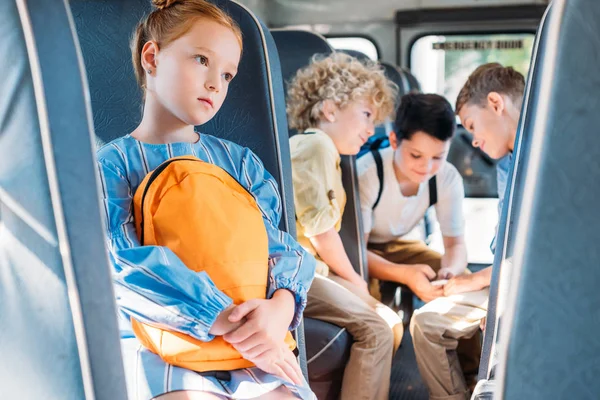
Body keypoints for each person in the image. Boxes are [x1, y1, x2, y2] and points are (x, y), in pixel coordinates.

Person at [96, 1, 316, 399]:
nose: (216, 83)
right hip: (160, 338)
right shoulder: (112, 164)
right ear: (152, 57)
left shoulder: (242, 164)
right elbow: (122, 265)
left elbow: (279, 245)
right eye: (202, 60)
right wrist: (221, 317)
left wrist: (280, 306)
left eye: (227, 74)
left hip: (252, 338)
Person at [286, 52, 402, 400]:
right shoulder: (315, 146)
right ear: (330, 109)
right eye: (366, 115)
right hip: (300, 271)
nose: (371, 129)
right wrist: (354, 280)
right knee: (379, 329)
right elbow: (321, 231)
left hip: (314, 270)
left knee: (391, 323)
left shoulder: (329, 154)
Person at [409, 62, 525, 400]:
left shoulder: (550, 157)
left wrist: (478, 283)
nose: (473, 141)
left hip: (527, 289)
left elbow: (539, 256)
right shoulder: (507, 165)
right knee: (427, 324)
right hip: (504, 281)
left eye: (472, 125)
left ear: (495, 103)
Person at [358, 93, 467, 304]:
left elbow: (455, 245)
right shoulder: (368, 173)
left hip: (400, 246)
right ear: (394, 141)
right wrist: (406, 274)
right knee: (371, 304)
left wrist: (450, 273)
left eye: (437, 157)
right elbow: (356, 252)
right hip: (362, 252)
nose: (426, 168)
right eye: (416, 155)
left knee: (463, 282)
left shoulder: (447, 177)